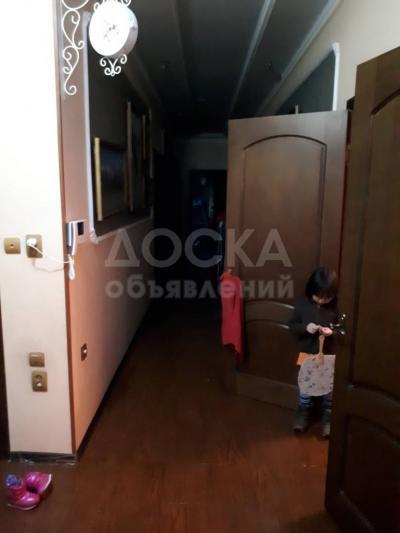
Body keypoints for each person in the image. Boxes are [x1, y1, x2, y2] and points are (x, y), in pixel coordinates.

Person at [289, 266, 338, 438]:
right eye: (319, 296)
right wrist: (306, 328)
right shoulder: (302, 305)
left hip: (328, 357)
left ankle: (328, 415)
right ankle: (303, 411)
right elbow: (292, 326)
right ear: (311, 290)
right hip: (307, 355)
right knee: (305, 387)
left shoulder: (336, 308)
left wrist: (333, 332)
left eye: (327, 297)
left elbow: (343, 329)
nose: (322, 301)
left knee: (329, 389)